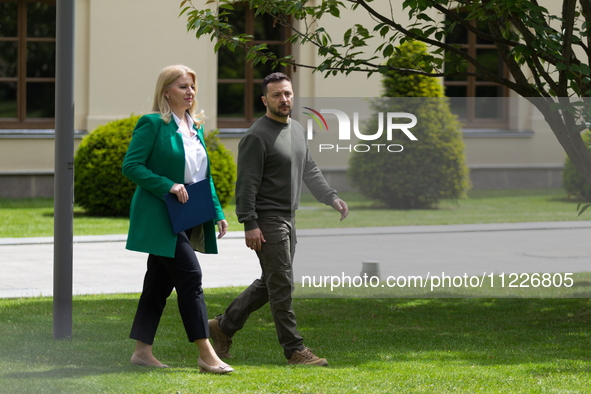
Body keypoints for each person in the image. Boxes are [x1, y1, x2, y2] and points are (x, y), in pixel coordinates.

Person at [208, 72, 349, 366]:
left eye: (287, 93)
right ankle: (295, 350)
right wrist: (249, 223)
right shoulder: (256, 135)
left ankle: (222, 326)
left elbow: (308, 168)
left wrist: (330, 197)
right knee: (282, 284)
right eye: (276, 95)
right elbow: (246, 184)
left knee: (271, 282)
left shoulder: (296, 129)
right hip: (267, 219)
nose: (283, 99)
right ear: (265, 100)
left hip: (288, 217)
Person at [122, 65, 233, 374]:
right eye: (183, 86)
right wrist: (167, 185)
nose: (190, 92)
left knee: (157, 286)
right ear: (166, 90)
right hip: (160, 216)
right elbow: (131, 166)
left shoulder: (193, 126)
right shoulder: (153, 124)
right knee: (191, 278)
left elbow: (203, 177)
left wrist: (217, 212)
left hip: (188, 215)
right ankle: (206, 353)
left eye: (192, 87)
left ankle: (142, 352)